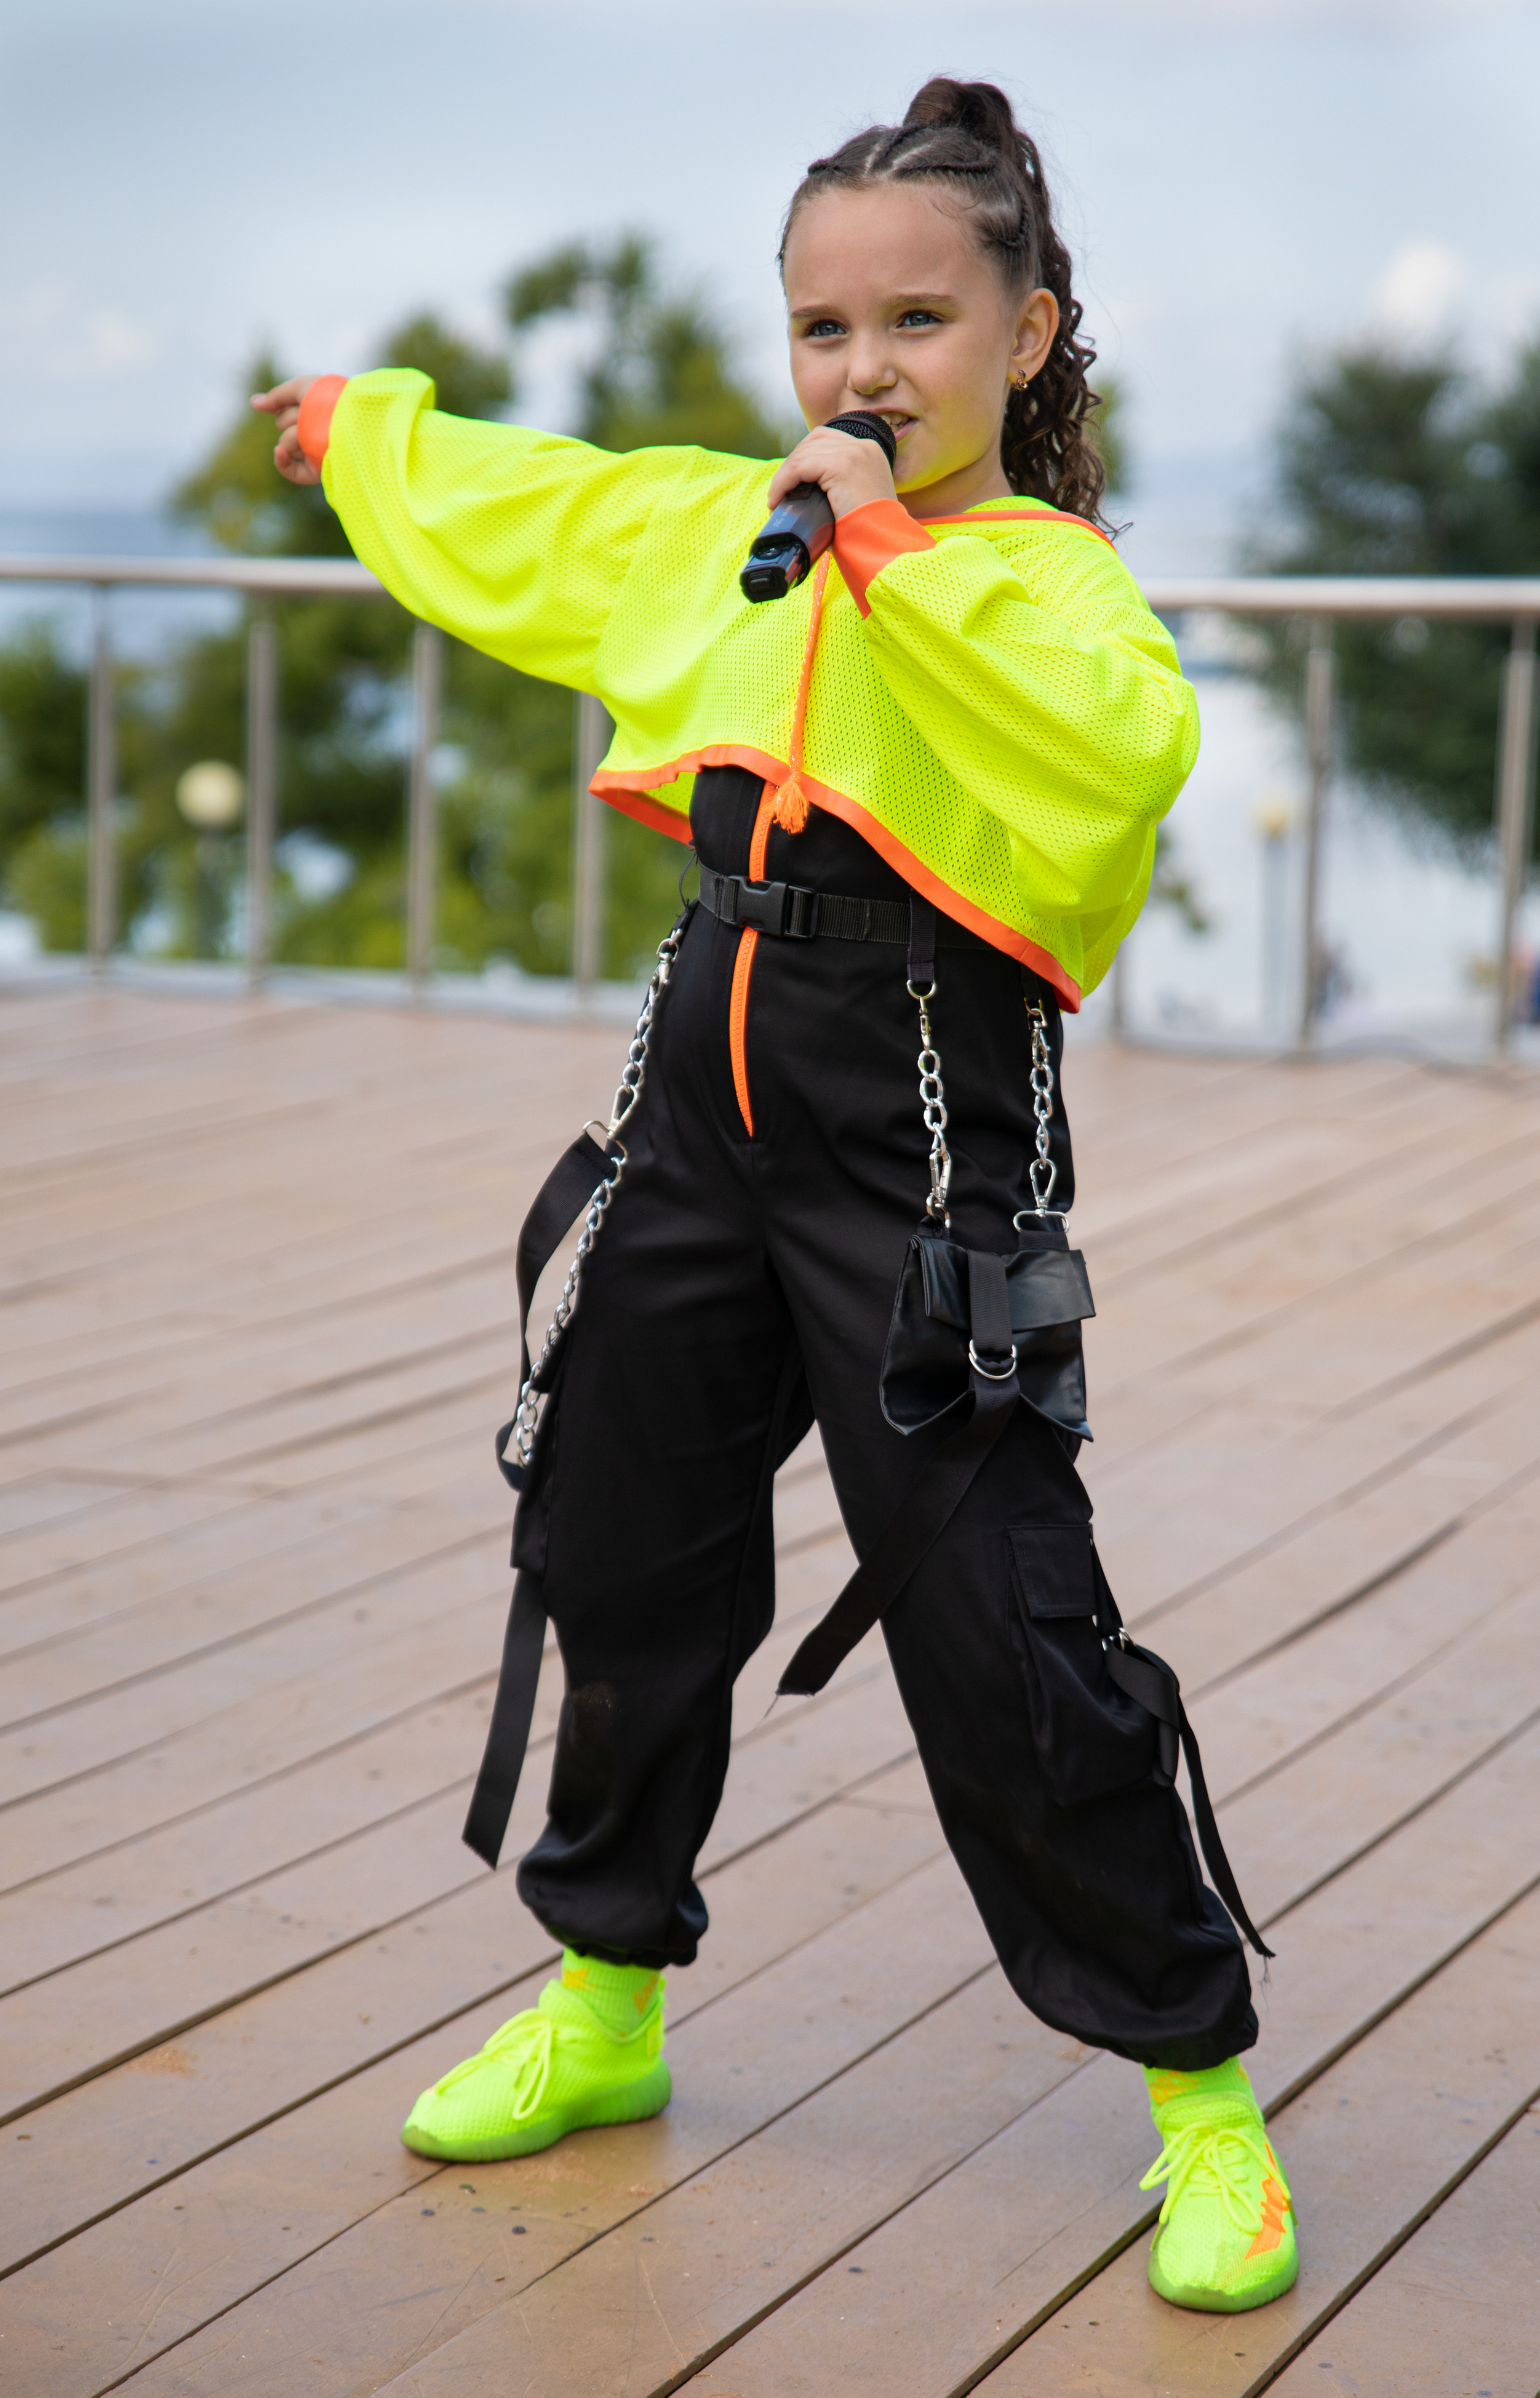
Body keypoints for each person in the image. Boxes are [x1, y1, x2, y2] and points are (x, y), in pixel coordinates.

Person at [255, 77, 1297, 2316]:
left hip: (925, 1120)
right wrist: (362, 436)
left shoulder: (1045, 589)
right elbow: (538, 514)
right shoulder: (739, 524)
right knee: (618, 1551)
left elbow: (1121, 747)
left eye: (918, 320)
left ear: (1029, 335)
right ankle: (606, 2003)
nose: (863, 372)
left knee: (1002, 1611)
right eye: (824, 327)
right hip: (698, 1089)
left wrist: (893, 551)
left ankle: (1201, 2100)